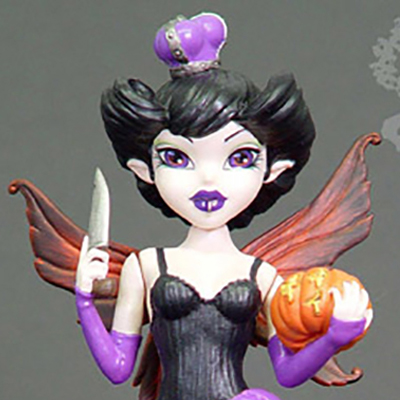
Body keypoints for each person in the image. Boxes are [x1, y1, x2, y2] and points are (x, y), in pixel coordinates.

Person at [72, 13, 371, 400]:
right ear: (144, 170)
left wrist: (334, 336)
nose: (209, 180)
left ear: (273, 170)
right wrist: (85, 298)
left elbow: (287, 373)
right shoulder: (145, 266)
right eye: (177, 158)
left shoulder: (261, 275)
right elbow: (118, 368)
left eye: (240, 158)